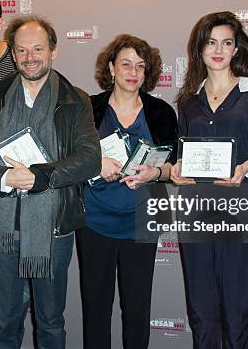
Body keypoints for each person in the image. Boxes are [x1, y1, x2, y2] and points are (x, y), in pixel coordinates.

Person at [0, 15, 100, 348]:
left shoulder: (75, 99)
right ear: (13, 55)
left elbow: (90, 159)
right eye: (21, 50)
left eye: (37, 49)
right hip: (1, 229)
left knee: (50, 323)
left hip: (53, 228)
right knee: (3, 323)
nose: (29, 57)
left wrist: (42, 176)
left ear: (54, 50)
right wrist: (4, 177)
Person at [171, 11, 248, 349]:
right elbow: (181, 152)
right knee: (200, 309)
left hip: (238, 208)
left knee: (236, 306)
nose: (218, 49)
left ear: (236, 49)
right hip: (195, 209)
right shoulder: (188, 101)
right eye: (211, 42)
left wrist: (247, 167)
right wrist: (175, 169)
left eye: (226, 42)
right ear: (199, 48)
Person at [76, 34, 178, 348]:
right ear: (111, 67)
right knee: (96, 311)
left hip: (142, 224)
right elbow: (70, 159)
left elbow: (174, 168)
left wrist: (154, 173)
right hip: (94, 223)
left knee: (136, 310)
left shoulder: (161, 112)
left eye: (140, 66)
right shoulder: (87, 109)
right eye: (125, 64)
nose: (133, 72)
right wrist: (95, 162)